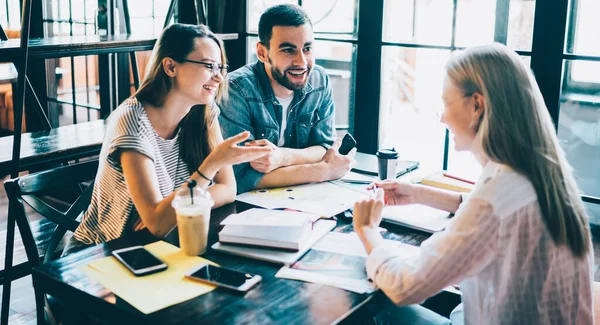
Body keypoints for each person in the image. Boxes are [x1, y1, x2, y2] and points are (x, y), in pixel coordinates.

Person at [353, 43, 593, 324]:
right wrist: (419, 193)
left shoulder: (495, 195)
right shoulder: (543, 171)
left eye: (445, 103)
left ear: (477, 105)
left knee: (372, 306)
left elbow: (406, 286)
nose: (442, 117)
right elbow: (498, 218)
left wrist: (368, 231)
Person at [65, 24, 272, 254]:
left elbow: (227, 189)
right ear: (170, 66)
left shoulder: (203, 111)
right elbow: (157, 224)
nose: (219, 77)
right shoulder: (133, 121)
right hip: (101, 254)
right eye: (208, 66)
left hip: (161, 244)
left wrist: (176, 209)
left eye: (220, 67)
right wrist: (211, 165)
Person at [219, 4, 355, 194]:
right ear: (262, 53)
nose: (301, 62)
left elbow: (325, 147)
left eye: (307, 48)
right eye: (288, 50)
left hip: (303, 200)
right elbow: (240, 177)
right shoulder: (235, 90)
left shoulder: (319, 80)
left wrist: (282, 157)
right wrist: (323, 171)